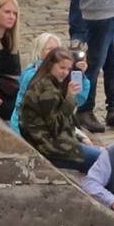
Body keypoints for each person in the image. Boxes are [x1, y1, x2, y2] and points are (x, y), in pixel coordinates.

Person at [19, 44, 98, 174]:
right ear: (50, 65)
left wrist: (80, 137)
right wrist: (70, 98)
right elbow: (56, 126)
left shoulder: (48, 82)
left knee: (102, 154)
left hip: (51, 142)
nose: (65, 73)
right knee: (102, 160)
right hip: (49, 147)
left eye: (68, 69)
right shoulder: (48, 91)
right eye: (61, 68)